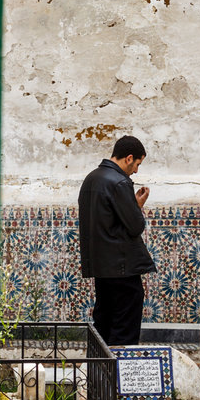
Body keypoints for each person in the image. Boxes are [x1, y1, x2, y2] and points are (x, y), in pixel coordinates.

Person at [78, 136, 156, 346]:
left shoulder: (91, 179)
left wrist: (132, 204)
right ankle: (121, 374)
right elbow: (135, 226)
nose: (136, 171)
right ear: (129, 158)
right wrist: (137, 206)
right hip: (122, 268)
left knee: (104, 321)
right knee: (124, 327)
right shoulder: (119, 182)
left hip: (102, 267)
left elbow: (107, 220)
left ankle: (100, 375)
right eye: (137, 164)